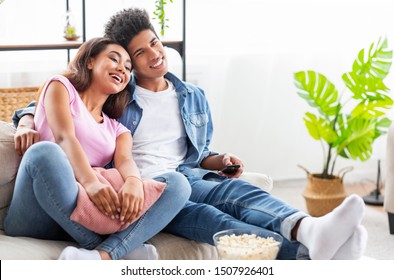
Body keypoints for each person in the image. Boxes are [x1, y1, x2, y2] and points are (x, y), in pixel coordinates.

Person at [13, 8, 367, 260]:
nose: (153, 54)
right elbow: (50, 105)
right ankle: (304, 252)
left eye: (154, 43)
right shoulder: (120, 95)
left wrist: (219, 160)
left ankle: (308, 230)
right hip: (148, 183)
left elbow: (196, 155)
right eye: (137, 53)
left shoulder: (190, 97)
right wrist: (27, 121)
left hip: (180, 176)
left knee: (232, 189)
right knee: (216, 217)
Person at [4, 37, 191, 260]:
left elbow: (124, 161)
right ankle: (120, 250)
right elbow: (64, 137)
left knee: (178, 184)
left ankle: (103, 256)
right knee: (44, 152)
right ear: (90, 61)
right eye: (114, 59)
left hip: (79, 217)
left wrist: (133, 182)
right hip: (34, 214)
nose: (122, 68)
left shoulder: (118, 129)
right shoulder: (60, 87)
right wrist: (91, 184)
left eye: (128, 68)